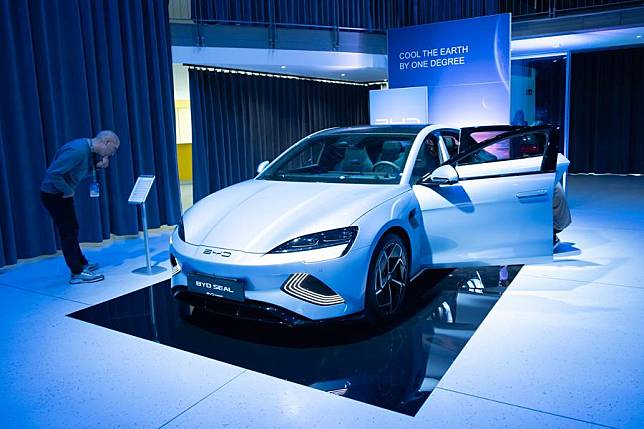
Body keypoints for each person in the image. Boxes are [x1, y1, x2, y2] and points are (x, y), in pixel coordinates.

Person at [40, 130, 120, 284]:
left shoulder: (86, 150)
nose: (111, 154)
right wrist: (68, 190)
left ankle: (82, 263)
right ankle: (77, 272)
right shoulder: (78, 150)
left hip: (60, 194)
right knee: (68, 232)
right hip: (54, 195)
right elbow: (54, 174)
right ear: (107, 142)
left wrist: (97, 167)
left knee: (72, 228)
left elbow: (77, 173)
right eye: (113, 150)